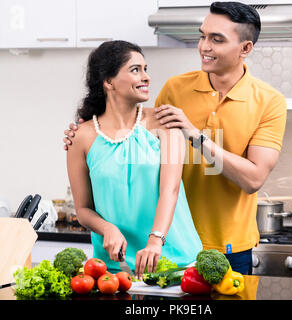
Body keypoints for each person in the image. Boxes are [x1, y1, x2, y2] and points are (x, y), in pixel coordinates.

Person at [64, 2, 287, 275]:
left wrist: (195, 136)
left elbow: (253, 179)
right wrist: (87, 134)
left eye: (216, 39)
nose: (204, 46)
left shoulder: (269, 102)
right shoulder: (175, 89)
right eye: (202, 35)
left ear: (245, 49)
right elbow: (135, 137)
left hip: (227, 245)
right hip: (163, 243)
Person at [66, 40, 202, 279]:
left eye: (145, 69)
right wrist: (106, 228)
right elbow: (83, 209)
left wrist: (155, 240)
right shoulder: (81, 137)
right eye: (135, 70)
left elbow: (169, 191)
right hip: (115, 268)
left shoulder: (166, 122)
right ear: (108, 82)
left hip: (175, 261)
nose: (146, 77)